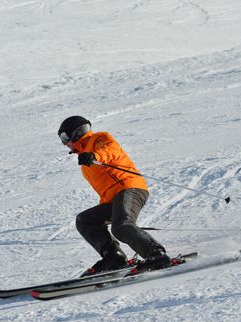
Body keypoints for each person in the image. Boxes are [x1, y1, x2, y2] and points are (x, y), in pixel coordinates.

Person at [57, 116, 169, 275]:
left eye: (64, 137)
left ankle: (156, 254)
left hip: (130, 188)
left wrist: (95, 156)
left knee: (121, 226)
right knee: (85, 220)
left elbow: (111, 151)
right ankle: (113, 257)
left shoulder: (99, 139)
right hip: (114, 198)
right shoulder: (84, 162)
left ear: (76, 132)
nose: (64, 143)